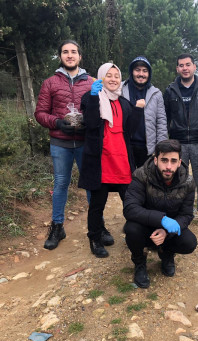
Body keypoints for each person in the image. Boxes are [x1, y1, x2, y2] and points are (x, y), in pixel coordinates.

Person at [35, 39, 113, 251]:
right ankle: (57, 226)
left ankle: (98, 226)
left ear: (80, 56)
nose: (70, 55)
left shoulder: (91, 82)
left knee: (91, 185)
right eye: (65, 52)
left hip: (86, 143)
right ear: (60, 56)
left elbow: (104, 109)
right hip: (60, 142)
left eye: (74, 52)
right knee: (61, 183)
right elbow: (40, 114)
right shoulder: (50, 83)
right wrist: (58, 122)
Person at [78, 62, 145, 258]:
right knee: (98, 204)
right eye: (109, 75)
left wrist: (139, 110)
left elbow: (130, 131)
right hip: (101, 161)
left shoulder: (124, 103)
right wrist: (92, 97)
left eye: (117, 75)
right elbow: (90, 124)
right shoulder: (91, 97)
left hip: (122, 161)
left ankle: (137, 235)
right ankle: (95, 238)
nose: (113, 79)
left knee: (131, 202)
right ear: (101, 78)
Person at [123, 139, 197, 288]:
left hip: (168, 229)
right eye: (164, 160)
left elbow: (187, 215)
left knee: (189, 242)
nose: (168, 166)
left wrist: (166, 232)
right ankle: (139, 262)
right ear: (155, 160)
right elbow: (130, 208)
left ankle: (166, 253)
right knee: (131, 229)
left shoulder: (188, 182)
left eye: (173, 161)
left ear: (179, 162)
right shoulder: (141, 175)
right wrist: (161, 219)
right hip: (145, 226)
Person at [163, 53, 198, 228]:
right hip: (178, 143)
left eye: (188, 64)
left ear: (195, 67)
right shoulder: (170, 90)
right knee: (179, 180)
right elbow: (165, 116)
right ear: (177, 68)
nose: (185, 68)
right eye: (181, 65)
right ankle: (181, 212)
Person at [122, 56, 168, 167]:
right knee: (128, 182)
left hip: (148, 149)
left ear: (149, 73)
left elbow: (161, 122)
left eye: (145, 71)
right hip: (125, 146)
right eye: (137, 70)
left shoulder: (156, 94)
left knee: (147, 182)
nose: (141, 74)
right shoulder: (121, 89)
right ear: (131, 72)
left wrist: (161, 149)